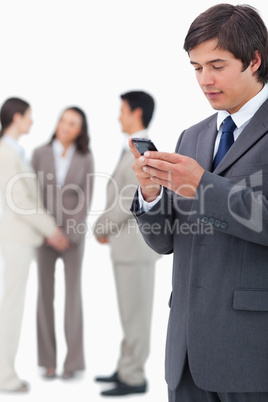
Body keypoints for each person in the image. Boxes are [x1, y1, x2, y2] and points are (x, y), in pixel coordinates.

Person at [129, 4, 268, 402]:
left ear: (254, 60)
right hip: (186, 353)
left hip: (252, 356)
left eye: (217, 65)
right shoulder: (192, 137)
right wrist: (152, 194)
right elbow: (166, 242)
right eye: (196, 67)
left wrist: (203, 185)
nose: (204, 79)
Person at [94, 91, 160, 397]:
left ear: (135, 113)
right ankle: (125, 367)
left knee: (136, 314)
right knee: (129, 312)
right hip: (127, 249)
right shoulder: (133, 147)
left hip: (136, 249)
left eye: (122, 110)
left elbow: (126, 200)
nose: (118, 115)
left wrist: (99, 228)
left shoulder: (142, 152)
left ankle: (134, 377)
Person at [0, 97, 68, 393]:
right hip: (16, 237)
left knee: (12, 305)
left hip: (20, 237)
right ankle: (4, 375)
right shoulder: (6, 151)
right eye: (28, 116)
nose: (31, 121)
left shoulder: (15, 151)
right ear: (16, 118)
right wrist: (51, 230)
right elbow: (20, 200)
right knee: (11, 307)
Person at [31, 106, 94, 380]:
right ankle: (48, 361)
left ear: (80, 130)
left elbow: (86, 198)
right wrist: (48, 231)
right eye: (63, 121)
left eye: (73, 123)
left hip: (73, 238)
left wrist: (68, 234)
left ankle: (73, 363)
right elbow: (32, 196)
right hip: (43, 236)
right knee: (44, 296)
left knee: (73, 297)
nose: (66, 126)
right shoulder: (39, 153)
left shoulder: (85, 156)